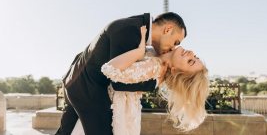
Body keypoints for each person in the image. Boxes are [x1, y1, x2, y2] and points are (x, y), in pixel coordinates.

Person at [55, 12, 187, 135]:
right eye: (176, 42)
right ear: (168, 29)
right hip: (87, 91)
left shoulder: (136, 26)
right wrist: (156, 82)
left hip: (76, 81)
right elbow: (119, 83)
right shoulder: (131, 31)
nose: (173, 48)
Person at [70, 26, 209, 134]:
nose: (191, 53)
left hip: (99, 105)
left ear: (175, 71)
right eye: (195, 57)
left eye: (190, 61)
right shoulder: (157, 56)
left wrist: (139, 50)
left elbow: (110, 69)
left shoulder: (154, 68)